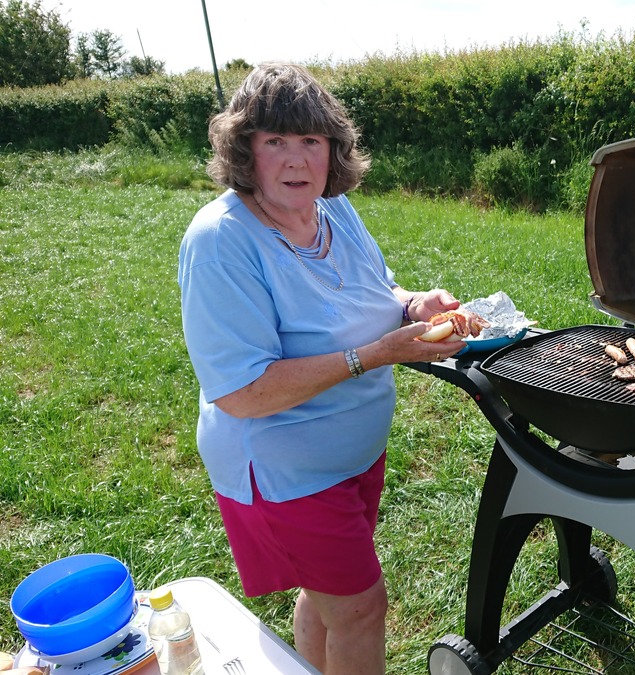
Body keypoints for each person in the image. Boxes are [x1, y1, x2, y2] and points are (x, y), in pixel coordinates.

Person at [177, 62, 464, 675]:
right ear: (243, 150)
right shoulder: (220, 241)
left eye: (311, 140)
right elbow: (242, 392)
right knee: (361, 608)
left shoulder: (332, 212)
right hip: (284, 466)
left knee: (326, 592)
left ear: (333, 150)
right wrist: (376, 355)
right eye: (275, 140)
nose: (296, 159)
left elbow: (372, 295)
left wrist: (414, 305)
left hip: (352, 455)